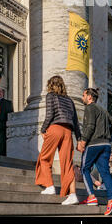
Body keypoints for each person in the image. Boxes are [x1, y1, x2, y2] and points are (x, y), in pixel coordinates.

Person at [35, 75, 81, 205]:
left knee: (44, 158)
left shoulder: (51, 96)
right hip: (68, 132)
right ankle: (73, 195)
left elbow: (50, 115)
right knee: (67, 163)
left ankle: (49, 186)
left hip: (55, 128)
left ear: (50, 85)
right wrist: (79, 139)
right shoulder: (70, 100)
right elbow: (76, 122)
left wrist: (43, 129)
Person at [78, 87, 112, 216]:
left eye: (84, 95)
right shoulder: (103, 110)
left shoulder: (90, 108)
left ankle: (91, 197)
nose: (82, 97)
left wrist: (83, 141)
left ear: (89, 97)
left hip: (93, 143)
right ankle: (111, 200)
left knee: (84, 168)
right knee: (105, 172)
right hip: (106, 144)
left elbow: (90, 126)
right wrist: (111, 135)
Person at [0, 88, 13, 156]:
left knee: (2, 144)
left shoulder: (8, 103)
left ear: (3, 93)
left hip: (3, 127)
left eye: (0, 91)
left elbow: (10, 115)